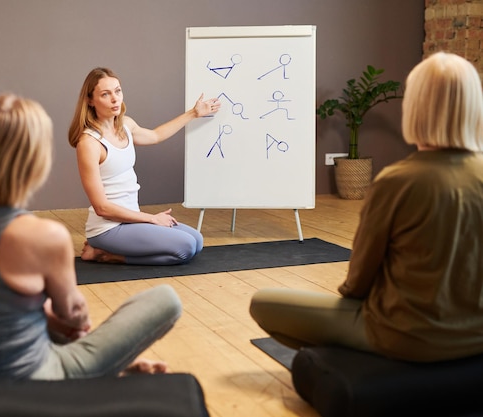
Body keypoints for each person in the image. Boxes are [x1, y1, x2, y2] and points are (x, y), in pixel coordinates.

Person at [0, 93, 182, 380]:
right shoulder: (44, 235)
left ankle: (109, 366)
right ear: (36, 159)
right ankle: (101, 369)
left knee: (52, 319)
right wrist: (85, 333)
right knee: (166, 300)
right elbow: (75, 319)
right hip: (30, 378)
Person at [250, 52, 483, 362]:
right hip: (476, 335)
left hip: (404, 336)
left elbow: (359, 281)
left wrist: (358, 301)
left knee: (264, 302)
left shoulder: (398, 181)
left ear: (415, 107)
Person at [68, 67, 220, 265]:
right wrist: (151, 218)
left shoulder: (126, 126)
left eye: (118, 91)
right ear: (90, 100)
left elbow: (156, 135)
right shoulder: (89, 143)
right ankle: (105, 254)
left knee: (197, 241)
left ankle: (107, 251)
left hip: (132, 220)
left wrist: (193, 113)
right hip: (108, 228)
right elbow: (101, 208)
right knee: (185, 248)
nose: (115, 99)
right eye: (105, 94)